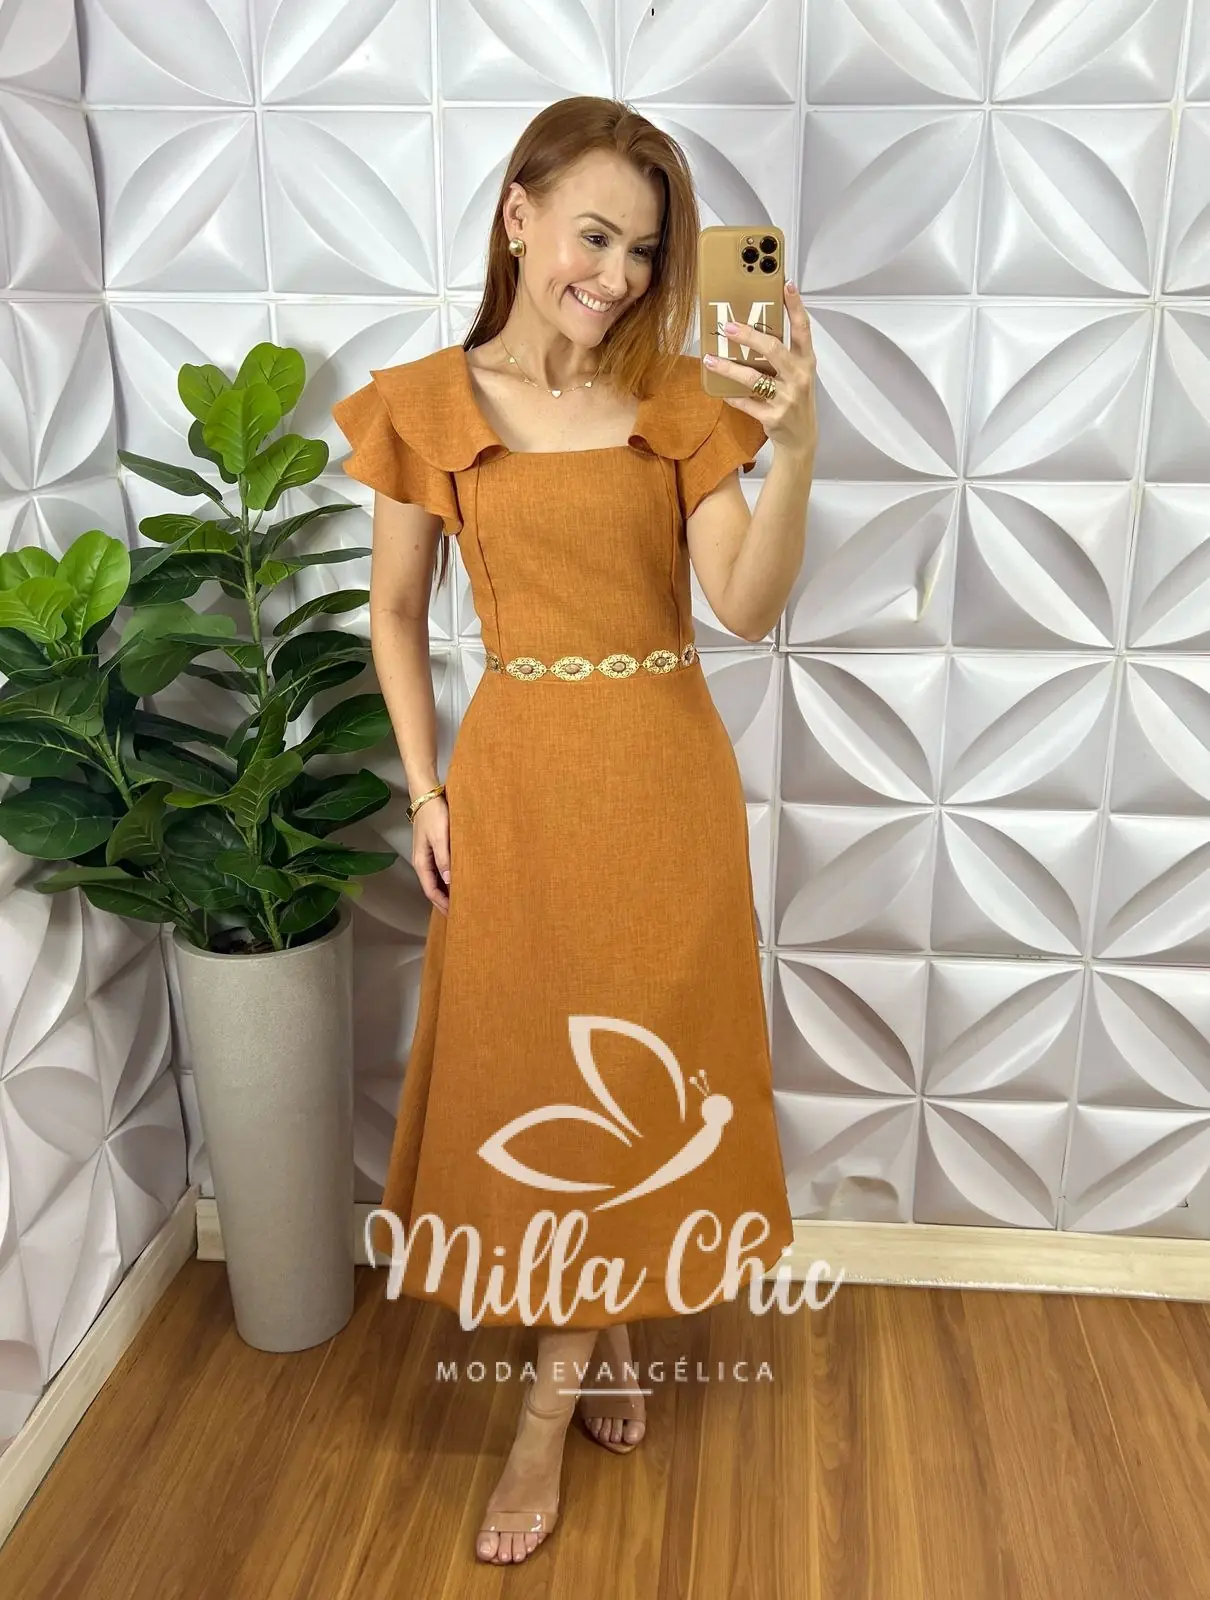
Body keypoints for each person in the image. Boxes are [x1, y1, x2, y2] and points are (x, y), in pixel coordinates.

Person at [331, 94, 817, 1568]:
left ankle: (540, 1420)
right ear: (517, 214)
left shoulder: (679, 397)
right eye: (592, 235)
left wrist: (795, 446)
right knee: (546, 1087)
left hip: (663, 791)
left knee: (648, 1082)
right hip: (518, 793)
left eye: (644, 250)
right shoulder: (426, 402)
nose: (614, 276)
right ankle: (605, 1344)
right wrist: (425, 790)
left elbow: (744, 606)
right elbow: (396, 615)